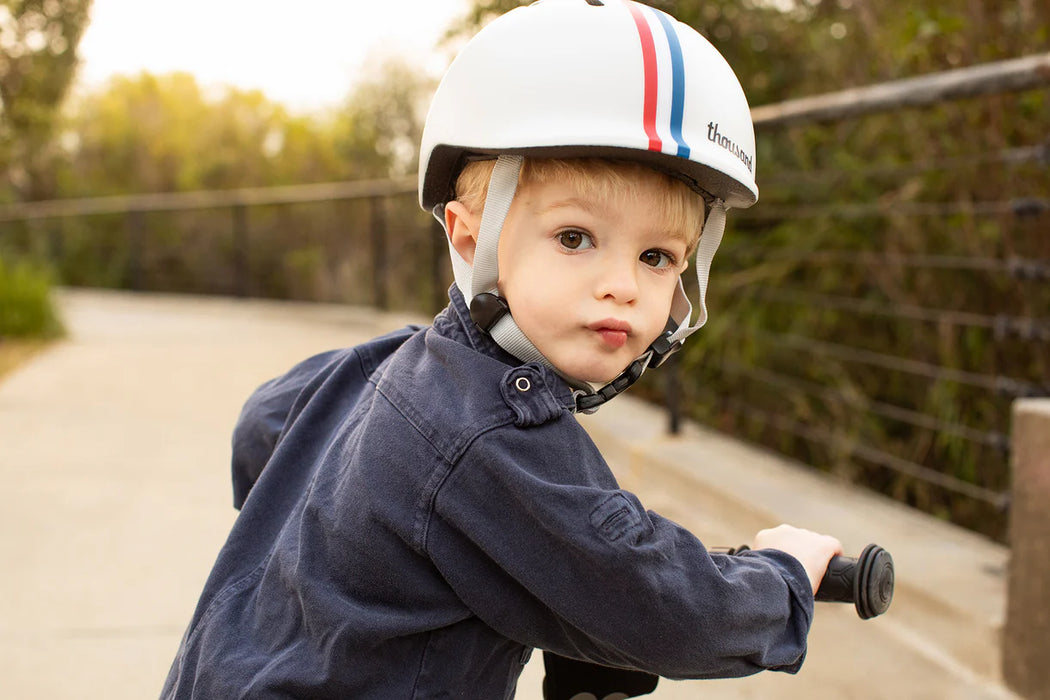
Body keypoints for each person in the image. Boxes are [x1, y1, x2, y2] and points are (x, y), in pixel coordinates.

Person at [161, 1, 843, 698]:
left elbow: (262, 427)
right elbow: (677, 619)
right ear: (469, 239)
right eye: (575, 238)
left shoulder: (381, 368)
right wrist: (782, 575)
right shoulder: (494, 437)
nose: (623, 287)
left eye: (658, 256)